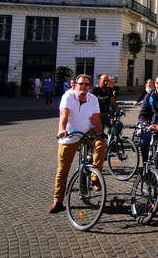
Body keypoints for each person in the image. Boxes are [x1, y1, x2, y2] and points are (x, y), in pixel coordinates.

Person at [49, 74, 106, 214]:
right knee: (63, 169)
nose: (83, 87)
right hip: (70, 134)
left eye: (87, 84)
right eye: (81, 84)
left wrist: (99, 134)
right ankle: (58, 201)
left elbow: (96, 120)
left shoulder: (93, 99)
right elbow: (64, 114)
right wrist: (62, 129)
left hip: (87, 131)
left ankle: (94, 177)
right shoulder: (68, 96)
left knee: (102, 143)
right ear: (75, 84)